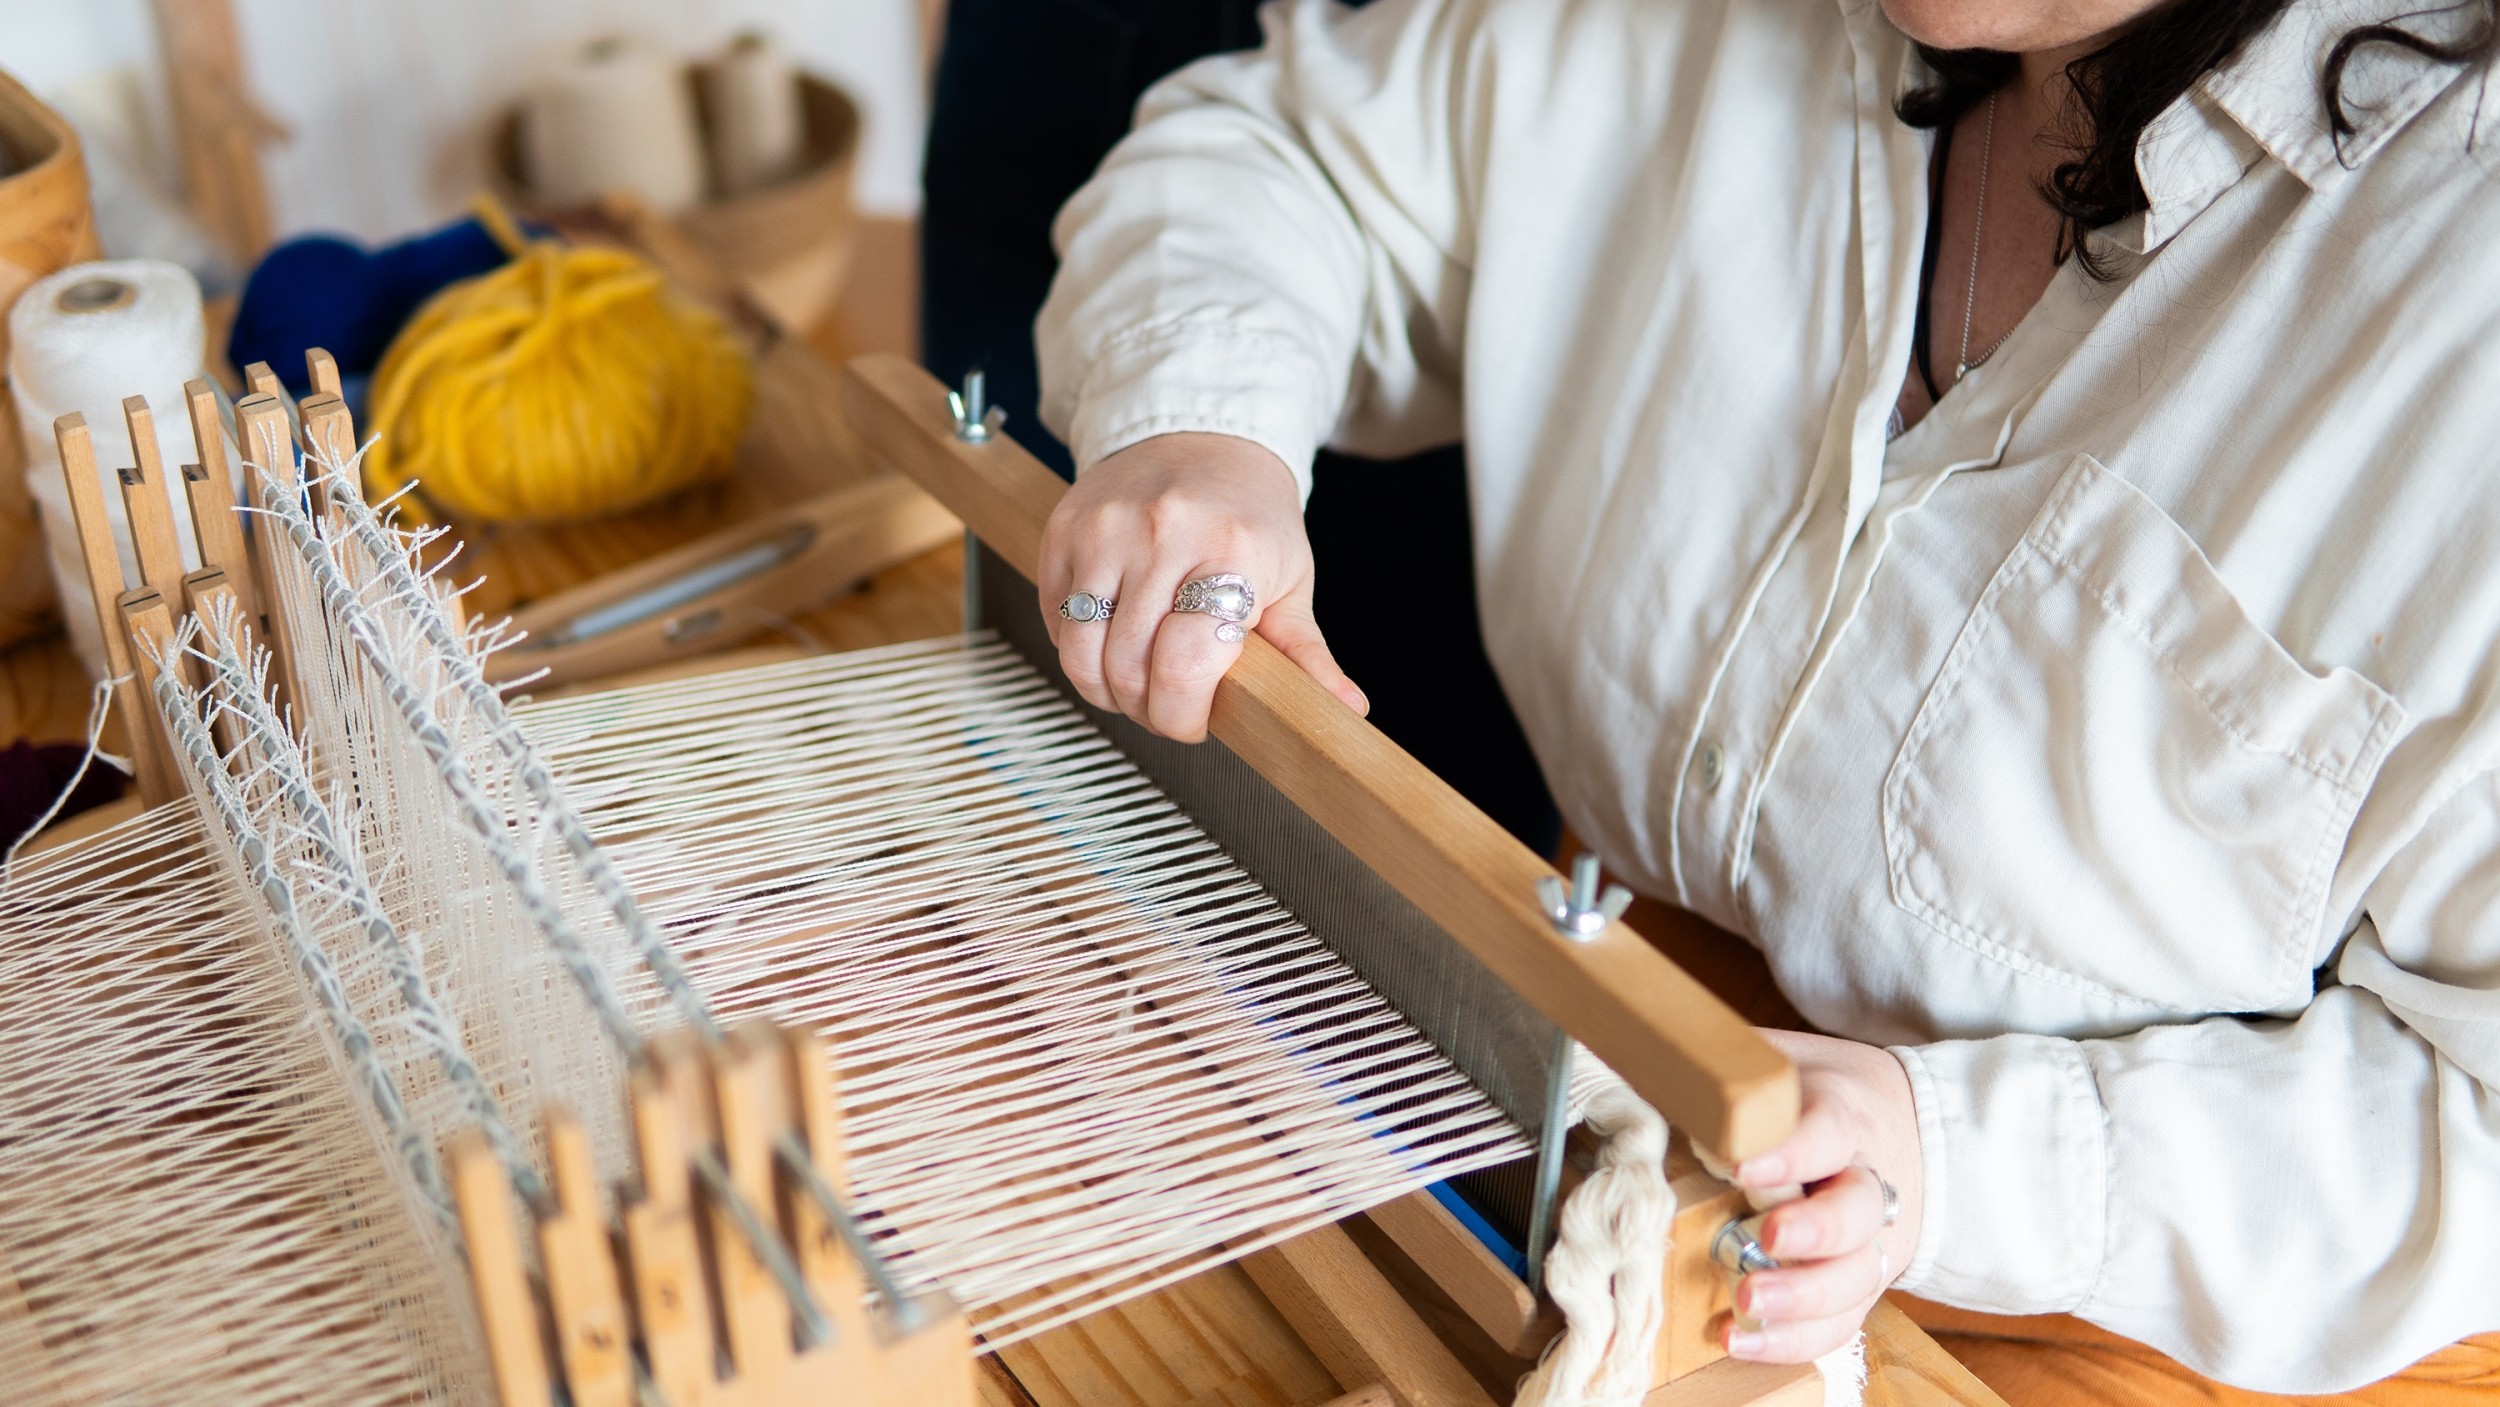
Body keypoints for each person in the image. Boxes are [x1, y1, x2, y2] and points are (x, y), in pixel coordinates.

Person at [1026, 0, 2500, 1394]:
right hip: (1611, 1134)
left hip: (2171, 1334)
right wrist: (1201, 434)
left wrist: (1952, 1162)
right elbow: (1292, 157)